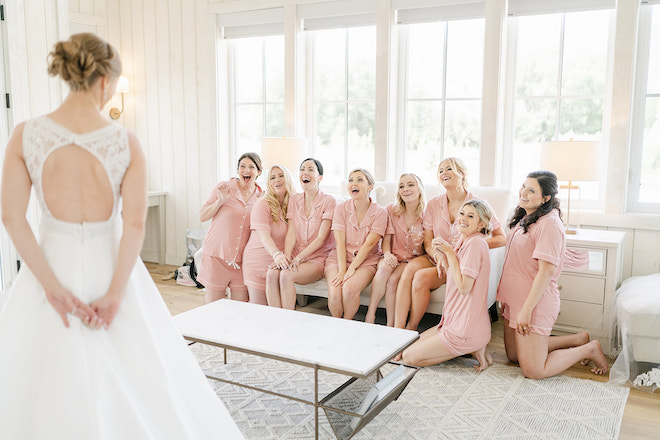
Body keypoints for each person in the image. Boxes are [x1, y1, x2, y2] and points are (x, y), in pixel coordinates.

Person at [0, 33, 243, 439]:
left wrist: (51, 287)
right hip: (110, 269)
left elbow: (11, 216)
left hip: (49, 269)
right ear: (104, 81)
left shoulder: (25, 135)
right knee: (151, 380)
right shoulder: (125, 142)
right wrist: (115, 293)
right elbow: (134, 224)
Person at [496, 171, 609, 379]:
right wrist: (507, 300)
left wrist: (527, 310)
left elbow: (546, 271)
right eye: (523, 186)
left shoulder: (549, 224)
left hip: (534, 302)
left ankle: (588, 348)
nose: (524, 193)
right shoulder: (526, 216)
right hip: (515, 300)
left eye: (531, 190)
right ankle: (576, 339)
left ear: (546, 197)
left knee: (533, 370)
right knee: (513, 356)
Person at [394, 157, 506, 330]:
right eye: (440, 171)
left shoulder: (478, 204)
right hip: (435, 255)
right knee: (409, 269)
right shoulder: (433, 204)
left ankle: (411, 327)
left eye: (448, 169)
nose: (443, 173)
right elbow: (428, 240)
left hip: (459, 262)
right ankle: (397, 329)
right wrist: (438, 256)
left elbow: (501, 238)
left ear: (461, 173)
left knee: (421, 278)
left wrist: (468, 246)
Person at [401, 200, 494, 370]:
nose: (463, 218)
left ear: (482, 224)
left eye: (471, 216)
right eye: (462, 213)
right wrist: (443, 255)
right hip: (454, 322)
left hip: (463, 329)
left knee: (408, 357)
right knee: (408, 346)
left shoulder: (475, 244)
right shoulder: (464, 241)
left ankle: (471, 346)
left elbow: (464, 287)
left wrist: (449, 252)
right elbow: (456, 271)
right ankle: (476, 346)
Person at [266, 158, 336, 309]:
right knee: (272, 272)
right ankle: (275, 319)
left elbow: (321, 238)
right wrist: (286, 257)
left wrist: (298, 258)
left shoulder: (329, 201)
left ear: (320, 177)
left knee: (286, 275)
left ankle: (288, 319)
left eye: (311, 170)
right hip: (296, 254)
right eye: (303, 169)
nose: (306, 172)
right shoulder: (294, 199)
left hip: (317, 257)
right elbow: (291, 232)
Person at [197, 152, 263, 304]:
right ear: (238, 169)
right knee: (215, 306)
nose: (246, 170)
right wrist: (220, 201)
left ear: (258, 172)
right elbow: (202, 215)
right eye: (242, 166)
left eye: (251, 167)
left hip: (242, 262)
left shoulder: (261, 196)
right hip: (217, 257)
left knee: (240, 309)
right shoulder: (224, 188)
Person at [325, 168, 387, 320]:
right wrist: (342, 270)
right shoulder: (340, 208)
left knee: (349, 289)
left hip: (366, 261)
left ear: (370, 187)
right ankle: (338, 325)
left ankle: (348, 323)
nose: (354, 183)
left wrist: (351, 269)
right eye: (351, 180)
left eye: (360, 180)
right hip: (338, 258)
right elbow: (339, 242)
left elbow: (369, 245)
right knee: (334, 293)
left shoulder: (380, 212)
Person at [365, 173, 425, 325]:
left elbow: (422, 252)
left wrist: (418, 243)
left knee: (392, 282)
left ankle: (391, 324)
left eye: (410, 185)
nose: (405, 189)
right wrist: (387, 253)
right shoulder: (391, 209)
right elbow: (387, 237)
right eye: (401, 186)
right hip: (390, 254)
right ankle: (370, 314)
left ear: (420, 189)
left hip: (410, 260)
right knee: (384, 269)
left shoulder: (426, 215)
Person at [242, 165, 294, 305]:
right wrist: (276, 254)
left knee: (280, 312)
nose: (277, 180)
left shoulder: (293, 204)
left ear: (288, 178)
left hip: (279, 265)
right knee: (260, 312)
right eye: (272, 177)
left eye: (281, 175)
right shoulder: (262, 204)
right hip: (258, 262)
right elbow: (264, 236)